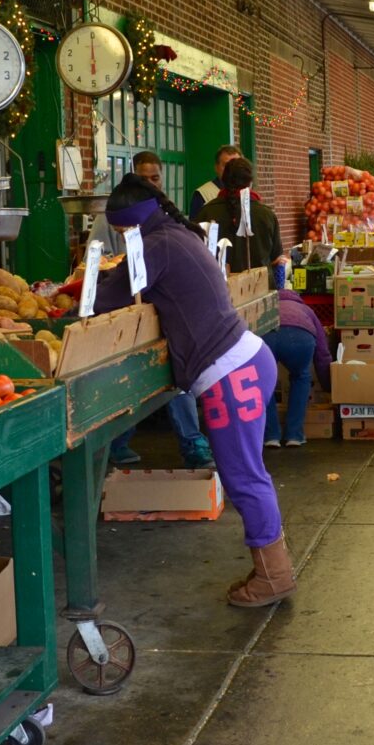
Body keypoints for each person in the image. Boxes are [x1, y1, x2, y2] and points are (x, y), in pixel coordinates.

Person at [94, 173, 296, 606]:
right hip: (247, 360)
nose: (120, 240)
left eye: (120, 231)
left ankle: (274, 576)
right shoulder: (175, 235)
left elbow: (106, 300)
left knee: (244, 478)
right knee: (250, 474)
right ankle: (268, 565)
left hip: (229, 375)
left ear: (131, 224)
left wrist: (78, 290)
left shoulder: (155, 245)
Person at [107, 150, 214, 470]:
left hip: (186, 338)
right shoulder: (162, 227)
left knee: (165, 380)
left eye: (155, 178)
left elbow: (118, 290)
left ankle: (193, 444)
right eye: (145, 178)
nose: (151, 183)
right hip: (168, 327)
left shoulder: (159, 237)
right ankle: (119, 443)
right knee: (136, 378)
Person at [263, 290, 332, 448]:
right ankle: (294, 435)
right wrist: (329, 386)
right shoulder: (306, 310)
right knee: (300, 376)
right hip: (301, 338)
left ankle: (271, 436)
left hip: (267, 337)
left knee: (264, 383)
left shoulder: (266, 308)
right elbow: (322, 353)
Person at [197, 156, 285, 274]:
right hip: (262, 289)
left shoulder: (206, 213)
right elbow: (276, 260)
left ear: (223, 181)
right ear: (250, 183)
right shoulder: (267, 215)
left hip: (220, 289)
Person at [189, 144, 242, 219]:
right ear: (216, 167)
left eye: (236, 165)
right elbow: (195, 228)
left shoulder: (247, 193)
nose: (231, 169)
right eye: (226, 165)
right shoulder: (202, 194)